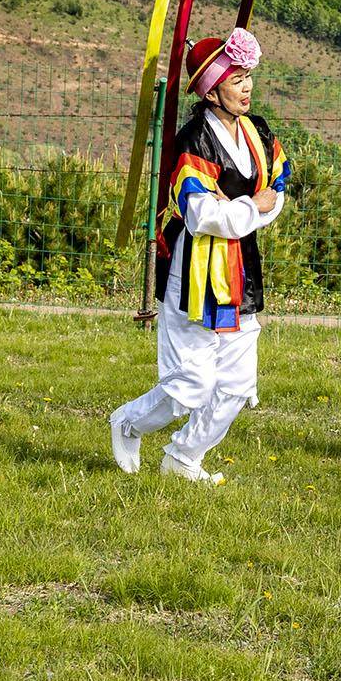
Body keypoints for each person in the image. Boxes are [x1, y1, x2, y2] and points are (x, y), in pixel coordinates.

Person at [109, 27, 290, 485]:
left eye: (249, 77)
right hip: (192, 272)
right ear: (212, 90)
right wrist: (252, 207)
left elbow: (278, 187)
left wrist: (249, 212)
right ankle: (127, 422)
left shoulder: (258, 130)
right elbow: (201, 215)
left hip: (240, 268)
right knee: (190, 387)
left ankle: (184, 457)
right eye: (237, 79)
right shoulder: (194, 141)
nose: (247, 87)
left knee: (236, 385)